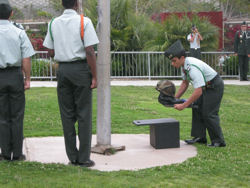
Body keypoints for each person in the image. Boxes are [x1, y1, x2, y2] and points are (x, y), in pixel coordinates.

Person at [43, 0, 99, 167]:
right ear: (76, 4)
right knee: (83, 113)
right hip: (80, 69)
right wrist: (94, 76)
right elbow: (89, 50)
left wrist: (62, 51)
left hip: (63, 71)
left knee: (67, 114)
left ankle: (72, 157)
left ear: (62, 4)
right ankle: (84, 158)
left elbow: (50, 50)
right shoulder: (84, 21)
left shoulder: (53, 23)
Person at [164, 40, 226, 147]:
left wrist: (183, 105)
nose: (172, 64)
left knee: (209, 113)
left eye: (174, 61)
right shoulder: (184, 66)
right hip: (206, 86)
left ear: (182, 58)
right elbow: (185, 83)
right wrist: (174, 98)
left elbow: (198, 91)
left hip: (214, 86)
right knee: (196, 107)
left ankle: (218, 141)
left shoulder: (192, 67)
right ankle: (200, 137)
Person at [0, 0, 35, 161]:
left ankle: (5, 153)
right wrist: (27, 79)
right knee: (17, 115)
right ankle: (17, 153)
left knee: (2, 116)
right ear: (11, 13)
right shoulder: (19, 31)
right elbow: (26, 58)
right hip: (14, 75)